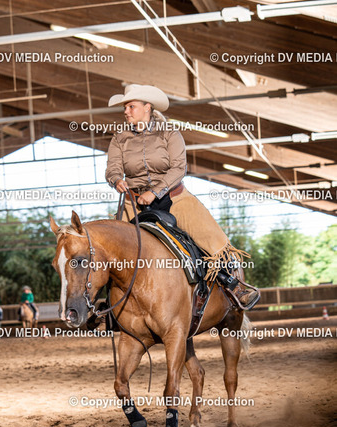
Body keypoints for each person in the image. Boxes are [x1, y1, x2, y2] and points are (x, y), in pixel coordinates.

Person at [105, 83, 259, 309]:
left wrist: (154, 192)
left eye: (131, 106)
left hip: (174, 198)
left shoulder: (170, 133)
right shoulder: (119, 138)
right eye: (125, 107)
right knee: (112, 248)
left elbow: (179, 168)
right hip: (133, 202)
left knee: (211, 238)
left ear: (147, 107)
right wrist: (116, 179)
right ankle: (105, 307)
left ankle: (233, 284)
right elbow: (112, 168)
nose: (126, 111)